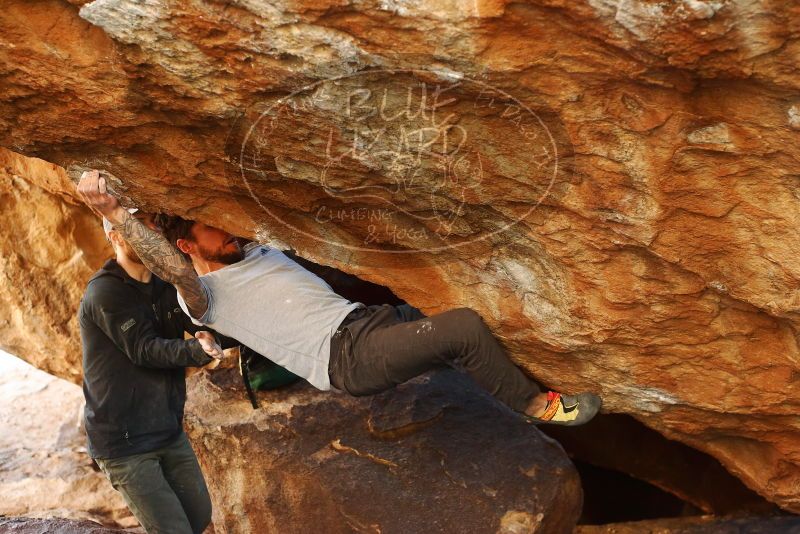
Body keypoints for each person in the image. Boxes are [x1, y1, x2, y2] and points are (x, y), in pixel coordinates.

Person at [77, 170, 602, 426]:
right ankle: (536, 406)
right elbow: (169, 266)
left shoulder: (253, 250)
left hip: (371, 322)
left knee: (470, 307)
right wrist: (115, 215)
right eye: (212, 231)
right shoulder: (202, 297)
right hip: (347, 358)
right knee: (463, 327)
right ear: (189, 247)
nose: (226, 232)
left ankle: (533, 374)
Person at [78, 208, 225, 534]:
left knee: (200, 518)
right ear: (115, 236)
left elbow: (203, 321)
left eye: (152, 224)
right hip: (124, 443)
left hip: (167, 429)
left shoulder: (165, 283)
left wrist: (215, 335)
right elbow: (144, 349)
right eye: (138, 225)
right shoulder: (105, 292)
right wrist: (197, 349)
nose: (151, 231)